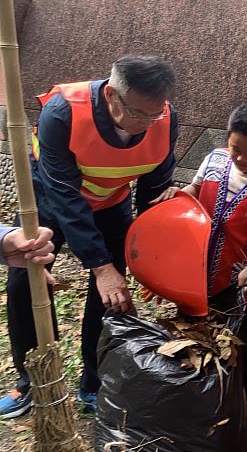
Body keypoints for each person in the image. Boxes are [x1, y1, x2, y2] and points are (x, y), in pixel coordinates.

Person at [1, 56, 179, 419]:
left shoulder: (165, 118)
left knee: (112, 296)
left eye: (154, 114)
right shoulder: (63, 113)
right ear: (111, 95)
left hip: (111, 203)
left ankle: (95, 384)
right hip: (50, 203)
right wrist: (100, 266)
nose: (146, 123)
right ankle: (31, 381)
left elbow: (154, 186)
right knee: (25, 284)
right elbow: (65, 197)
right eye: (138, 114)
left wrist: (147, 255)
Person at [154, 102, 247, 402]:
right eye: (235, 148)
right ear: (227, 138)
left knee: (237, 335)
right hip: (196, 266)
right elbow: (194, 191)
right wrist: (177, 196)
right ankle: (191, 390)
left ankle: (243, 394)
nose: (241, 158)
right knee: (188, 323)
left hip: (239, 275)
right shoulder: (213, 160)